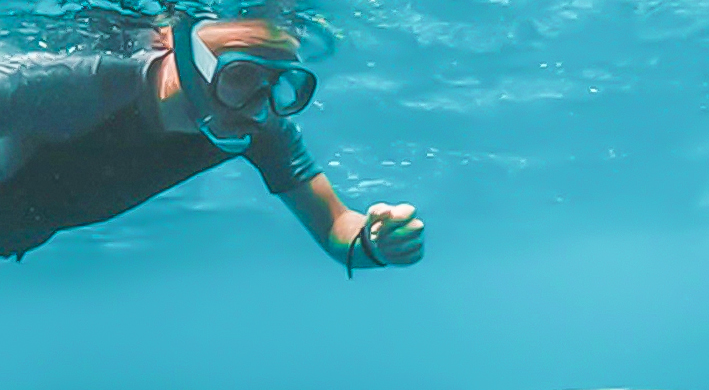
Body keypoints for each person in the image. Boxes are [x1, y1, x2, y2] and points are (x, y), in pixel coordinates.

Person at [0, 14, 424, 269]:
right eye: (239, 76)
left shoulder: (260, 127)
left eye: (279, 86)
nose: (257, 108)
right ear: (186, 55)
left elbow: (335, 225)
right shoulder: (65, 85)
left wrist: (375, 242)